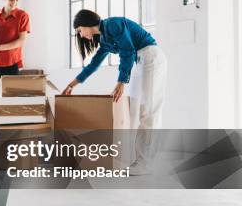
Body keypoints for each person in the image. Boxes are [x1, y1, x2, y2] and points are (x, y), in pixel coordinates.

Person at [61, 10, 167, 175]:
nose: (81, 35)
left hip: (151, 56)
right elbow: (94, 64)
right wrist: (73, 83)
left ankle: (146, 163)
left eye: (80, 30)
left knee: (148, 111)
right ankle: (137, 159)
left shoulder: (112, 24)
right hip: (140, 61)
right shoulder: (105, 39)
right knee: (134, 110)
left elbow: (127, 50)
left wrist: (121, 81)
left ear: (87, 24)